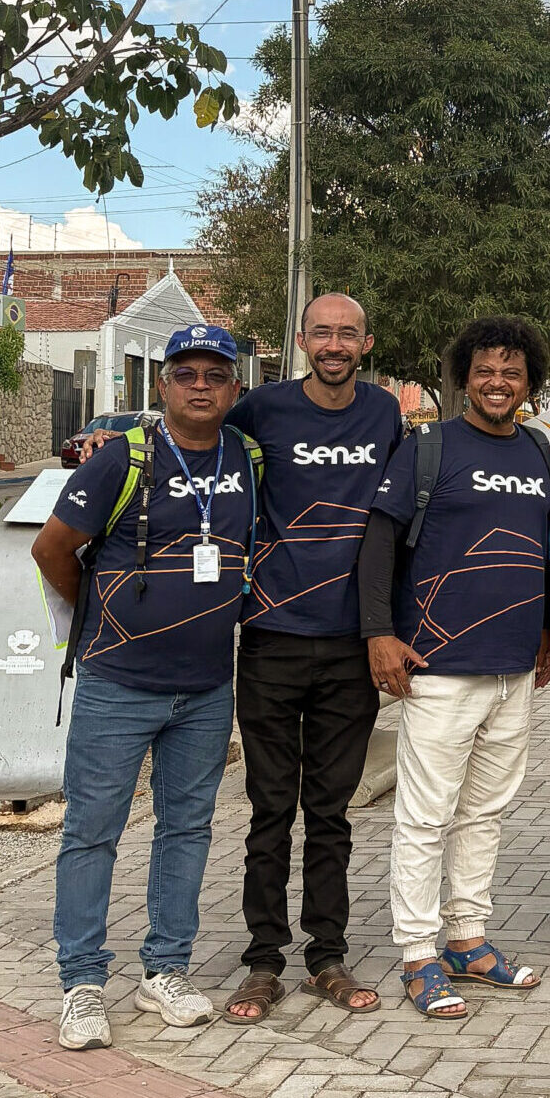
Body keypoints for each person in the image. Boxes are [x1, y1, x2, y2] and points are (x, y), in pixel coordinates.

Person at [34, 325, 259, 1049]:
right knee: (91, 832)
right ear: (161, 385)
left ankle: (165, 969)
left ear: (232, 388)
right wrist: (100, 616)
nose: (200, 384)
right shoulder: (121, 458)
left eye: (214, 374)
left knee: (187, 830)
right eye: (185, 372)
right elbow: (52, 549)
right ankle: (82, 984)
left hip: (204, 687)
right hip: (117, 682)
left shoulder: (249, 458)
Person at [361, 316, 550, 1019]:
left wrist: (549, 630)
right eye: (485, 370)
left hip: (512, 670)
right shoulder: (429, 448)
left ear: (528, 381)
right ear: (463, 377)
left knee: (485, 812)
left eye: (511, 370)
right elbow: (378, 543)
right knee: (424, 817)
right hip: (438, 667)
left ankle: (468, 940)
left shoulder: (540, 451)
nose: (497, 381)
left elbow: (544, 549)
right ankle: (418, 953)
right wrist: (379, 633)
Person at [217, 293, 404, 1025]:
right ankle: (263, 961)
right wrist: (115, 445)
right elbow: (191, 440)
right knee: (270, 810)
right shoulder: (261, 408)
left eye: (347, 333)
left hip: (350, 644)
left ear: (365, 342)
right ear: (301, 339)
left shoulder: (385, 414)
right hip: (270, 637)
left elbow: (396, 522)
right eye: (321, 332)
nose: (333, 343)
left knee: (330, 813)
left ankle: (326, 954)